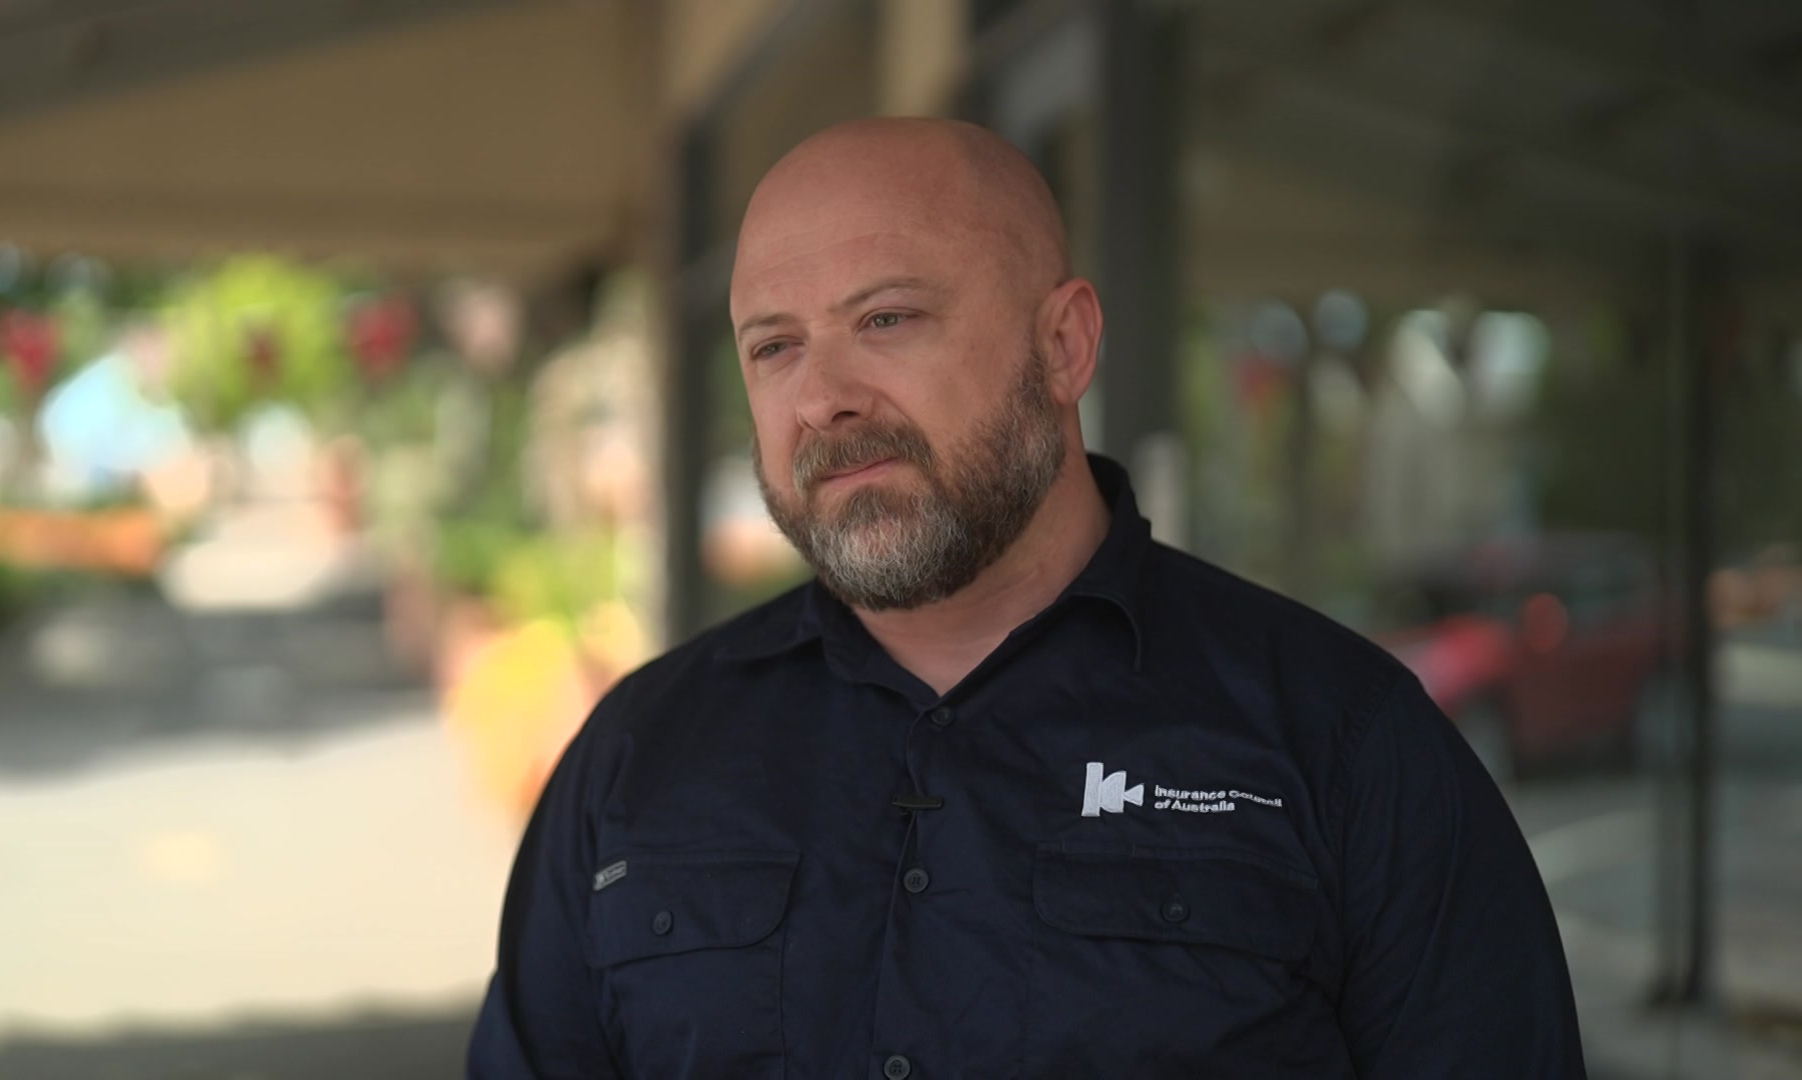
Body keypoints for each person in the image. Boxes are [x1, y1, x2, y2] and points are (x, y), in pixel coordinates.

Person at [467, 117, 1584, 1078]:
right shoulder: (637, 759)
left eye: (887, 320)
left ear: (1065, 344)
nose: (823, 400)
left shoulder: (1342, 742)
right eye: (774, 347)